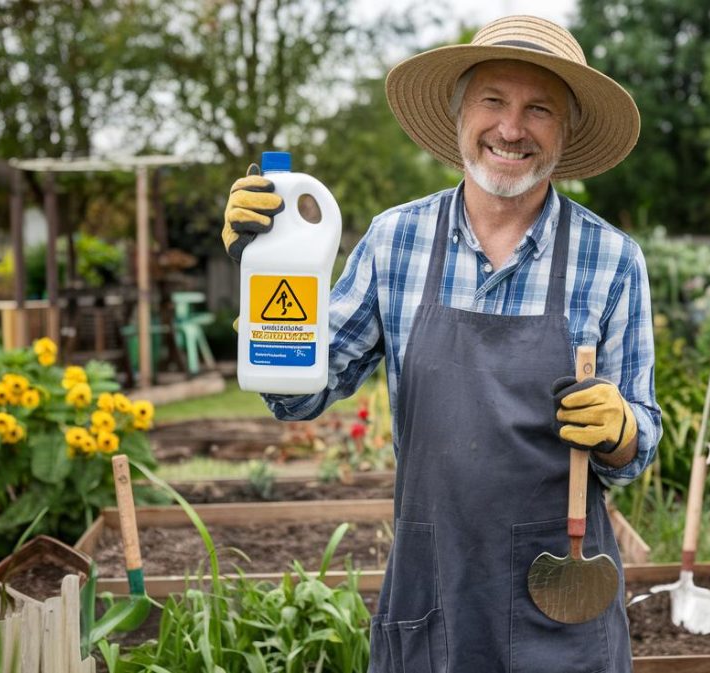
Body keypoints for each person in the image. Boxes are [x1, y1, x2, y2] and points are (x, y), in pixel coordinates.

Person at [222, 15, 659, 673]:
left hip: (561, 596)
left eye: (537, 109)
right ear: (459, 116)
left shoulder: (613, 259)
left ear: (564, 134)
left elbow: (633, 451)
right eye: (493, 101)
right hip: (433, 594)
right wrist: (267, 278)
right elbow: (298, 396)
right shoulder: (395, 242)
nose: (511, 128)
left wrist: (622, 428)